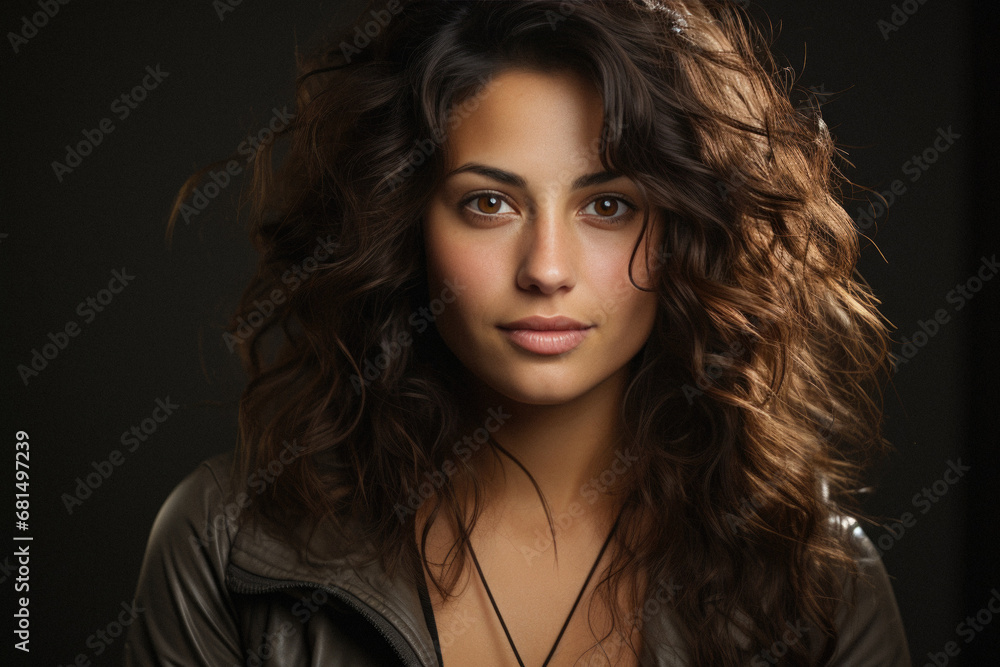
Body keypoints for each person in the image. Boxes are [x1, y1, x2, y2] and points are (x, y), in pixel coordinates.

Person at [123, 1, 912, 665]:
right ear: (405, 226)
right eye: (488, 204)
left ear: (686, 234)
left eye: (608, 206)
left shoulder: (818, 577)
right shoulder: (226, 544)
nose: (546, 268)